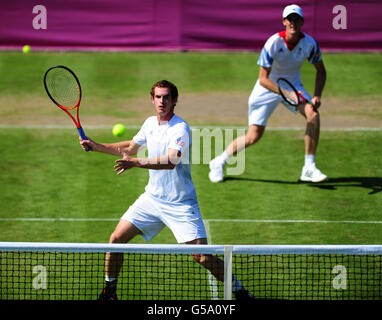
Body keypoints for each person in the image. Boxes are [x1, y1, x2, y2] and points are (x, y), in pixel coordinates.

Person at [79, 80, 253, 300]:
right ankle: (109, 292)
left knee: (202, 256)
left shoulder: (180, 128)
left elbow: (171, 160)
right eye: (158, 97)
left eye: (166, 97)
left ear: (174, 101)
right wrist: (96, 146)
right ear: (152, 99)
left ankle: (239, 291)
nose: (162, 101)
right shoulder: (150, 123)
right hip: (152, 200)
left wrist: (136, 163)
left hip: (181, 204)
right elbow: (130, 147)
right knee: (116, 239)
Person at [209, 4, 327, 183]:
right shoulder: (274, 42)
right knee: (253, 136)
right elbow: (263, 78)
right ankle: (219, 161)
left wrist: (317, 95)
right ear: (284, 22)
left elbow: (321, 71)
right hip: (267, 88)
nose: (293, 22)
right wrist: (288, 94)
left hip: (293, 84)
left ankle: (308, 167)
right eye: (290, 19)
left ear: (302, 22)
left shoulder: (310, 44)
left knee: (313, 114)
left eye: (296, 19)